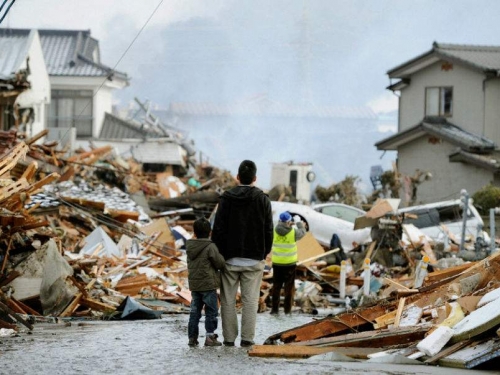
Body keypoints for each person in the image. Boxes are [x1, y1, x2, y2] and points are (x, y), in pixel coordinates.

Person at [212, 160, 273, 347]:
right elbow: (268, 229)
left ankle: (229, 339)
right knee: (250, 301)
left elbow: (218, 230)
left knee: (228, 301)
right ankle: (247, 339)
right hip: (254, 259)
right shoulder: (263, 199)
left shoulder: (226, 199)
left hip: (229, 259)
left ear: (238, 177)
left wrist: (219, 254)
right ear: (254, 178)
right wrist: (264, 252)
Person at [186, 217, 226, 347]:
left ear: (195, 232)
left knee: (194, 312)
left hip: (195, 285)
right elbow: (220, 263)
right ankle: (209, 337)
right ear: (210, 232)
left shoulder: (190, 246)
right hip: (208, 285)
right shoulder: (210, 246)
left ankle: (192, 338)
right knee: (211, 312)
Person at [270, 212, 306, 315]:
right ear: (288, 221)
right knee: (289, 288)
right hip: (290, 264)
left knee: (276, 287)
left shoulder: (274, 231)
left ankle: (275, 310)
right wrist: (298, 222)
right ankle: (287, 310)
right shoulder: (293, 232)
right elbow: (303, 232)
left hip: (277, 263)